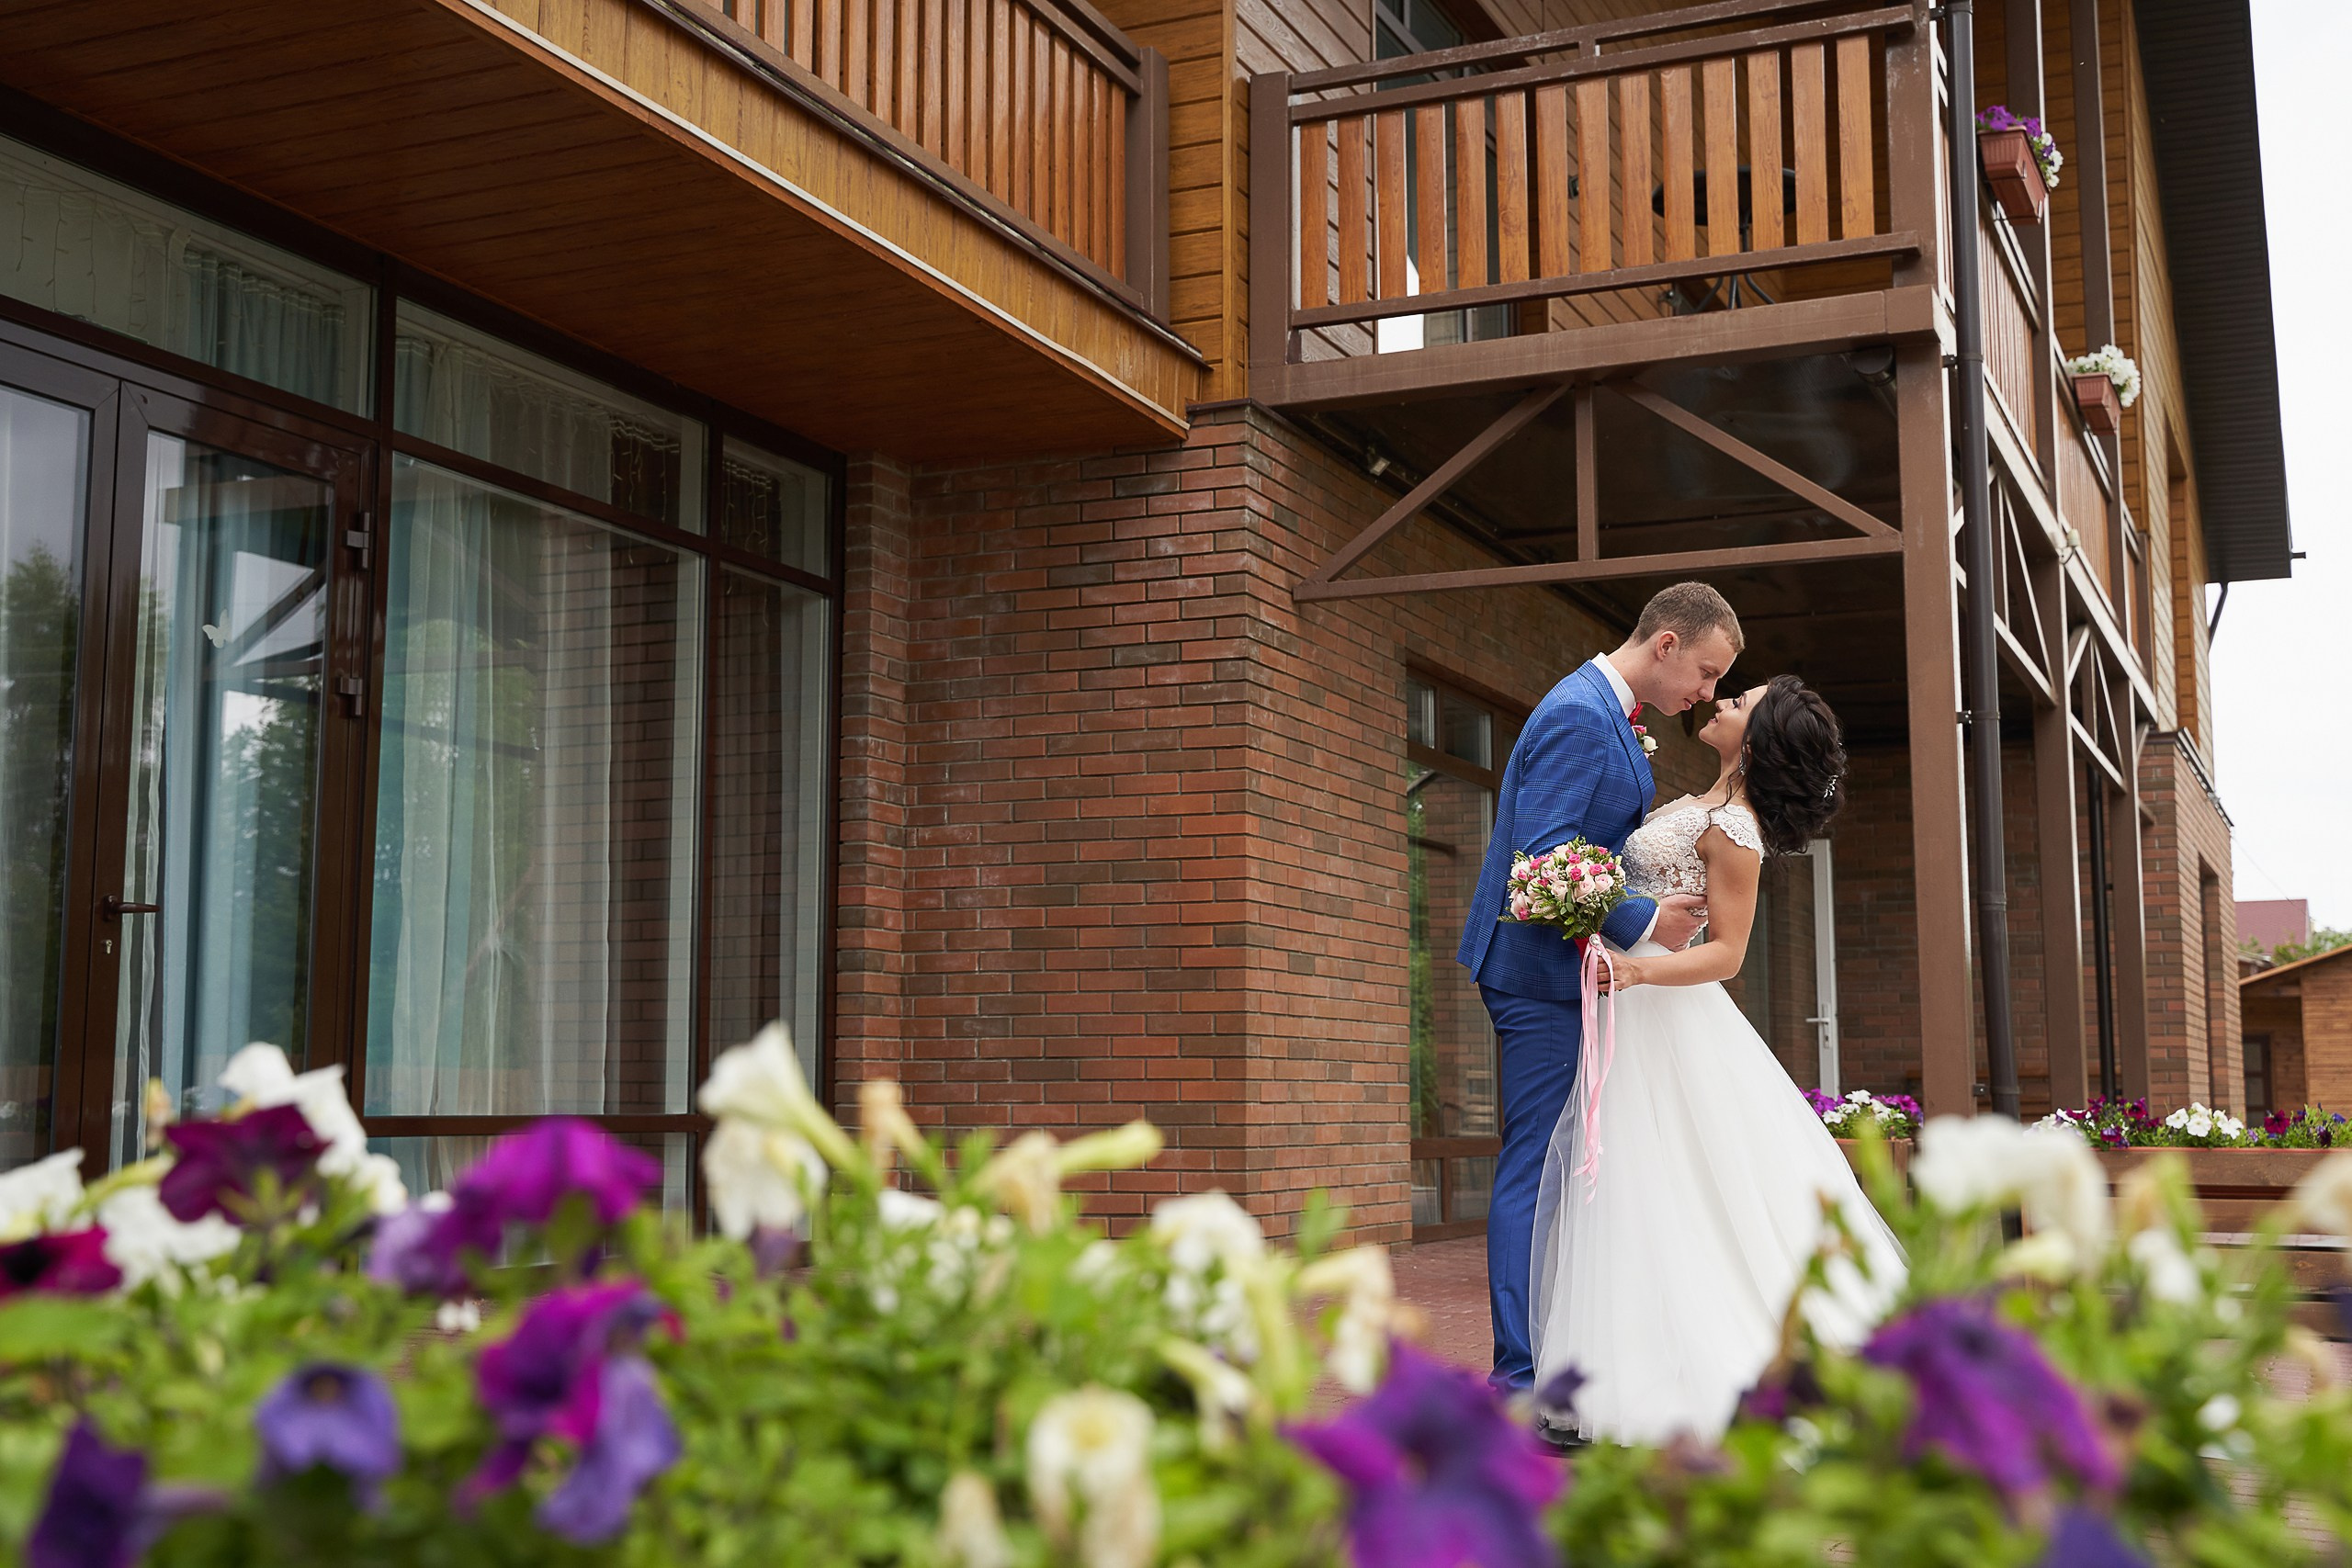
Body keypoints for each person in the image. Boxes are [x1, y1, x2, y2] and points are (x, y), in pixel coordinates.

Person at [1527, 674, 1905, 1446]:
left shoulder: (1736, 828)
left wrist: (1633, 970)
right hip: (1631, 1010)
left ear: (1758, 738)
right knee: (1638, 1188)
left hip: (1664, 1010)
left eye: (1743, 699)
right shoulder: (1699, 803)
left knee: (1665, 1181)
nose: (1725, 697)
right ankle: (1622, 1365)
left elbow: (1728, 954)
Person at [1456, 582, 1736, 1397]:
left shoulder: (1606, 713)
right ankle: (1516, 1373)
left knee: (1562, 1166)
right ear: (1667, 646)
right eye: (1708, 672)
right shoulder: (1580, 714)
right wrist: (1646, 916)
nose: (1706, 694)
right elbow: (1539, 860)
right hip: (1535, 977)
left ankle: (1555, 1346)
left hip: (1564, 973)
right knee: (1534, 1168)